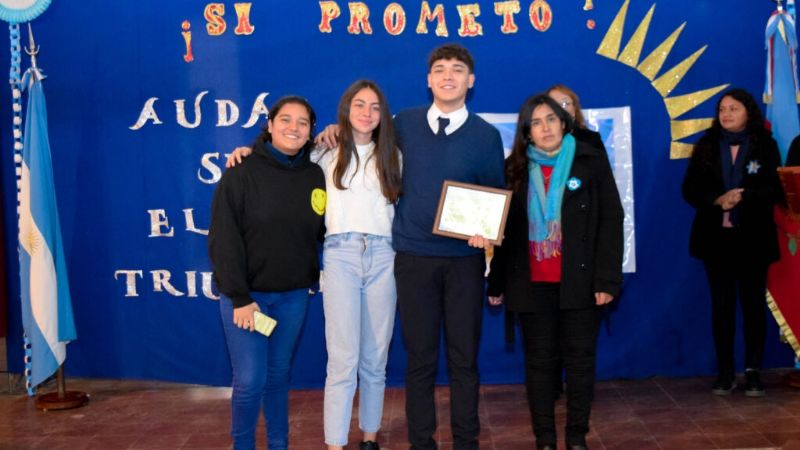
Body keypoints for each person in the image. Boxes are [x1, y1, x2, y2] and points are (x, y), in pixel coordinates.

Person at [316, 43, 505, 450]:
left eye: (457, 69)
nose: (448, 76)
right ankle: (421, 442)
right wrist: (332, 130)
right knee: (420, 359)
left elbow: (494, 198)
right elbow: (359, 132)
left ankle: (466, 441)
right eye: (440, 69)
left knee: (464, 359)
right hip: (413, 259)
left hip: (464, 262)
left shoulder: (487, 136)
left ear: (471, 81)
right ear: (428, 80)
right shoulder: (403, 125)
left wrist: (486, 232)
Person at [227, 80, 402, 450]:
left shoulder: (394, 157)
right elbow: (281, 159)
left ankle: (370, 437)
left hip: (384, 257)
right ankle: (335, 443)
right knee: (342, 359)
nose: (367, 113)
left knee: (375, 358)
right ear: (346, 109)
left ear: (383, 115)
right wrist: (247, 152)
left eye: (374, 107)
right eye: (359, 104)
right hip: (340, 255)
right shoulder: (323, 154)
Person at [487, 94, 623, 450]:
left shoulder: (590, 161)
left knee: (580, 364)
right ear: (526, 132)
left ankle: (577, 438)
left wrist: (607, 279)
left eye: (551, 119)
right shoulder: (514, 169)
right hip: (532, 285)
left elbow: (611, 219)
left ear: (564, 123)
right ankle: (545, 440)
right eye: (536, 122)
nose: (545, 128)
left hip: (580, 283)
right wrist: (497, 282)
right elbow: (503, 233)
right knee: (539, 365)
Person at [209, 96, 325, 450]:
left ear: (310, 132)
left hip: (292, 299)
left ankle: (279, 444)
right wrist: (240, 298)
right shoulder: (241, 171)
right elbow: (223, 239)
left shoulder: (314, 175)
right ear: (270, 125)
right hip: (249, 301)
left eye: (303, 122)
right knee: (249, 381)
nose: (294, 128)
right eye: (285, 120)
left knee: (277, 377)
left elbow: (318, 231)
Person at [682, 88, 783, 397]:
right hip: (717, 241)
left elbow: (775, 190)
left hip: (753, 240)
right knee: (722, 307)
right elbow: (690, 189)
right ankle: (725, 372)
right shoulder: (706, 145)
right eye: (722, 109)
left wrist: (744, 196)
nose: (726, 114)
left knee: (753, 307)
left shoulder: (765, 145)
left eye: (733, 108)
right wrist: (717, 200)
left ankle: (753, 371)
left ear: (748, 112)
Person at [547, 84, 605, 151]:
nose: (560, 109)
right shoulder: (540, 140)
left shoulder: (591, 139)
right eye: (554, 104)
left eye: (565, 104)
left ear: (574, 109)